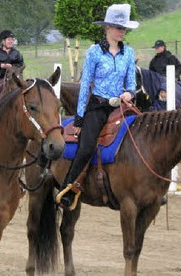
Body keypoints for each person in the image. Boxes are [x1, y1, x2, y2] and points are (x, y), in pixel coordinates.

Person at [58, 4, 138, 210]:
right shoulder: (94, 52)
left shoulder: (129, 53)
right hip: (98, 106)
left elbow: (131, 83)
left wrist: (129, 92)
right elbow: (85, 86)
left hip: (122, 107)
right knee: (86, 147)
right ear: (107, 28)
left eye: (124, 28)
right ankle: (68, 188)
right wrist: (79, 117)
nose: (121, 31)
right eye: (118, 27)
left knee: (141, 137)